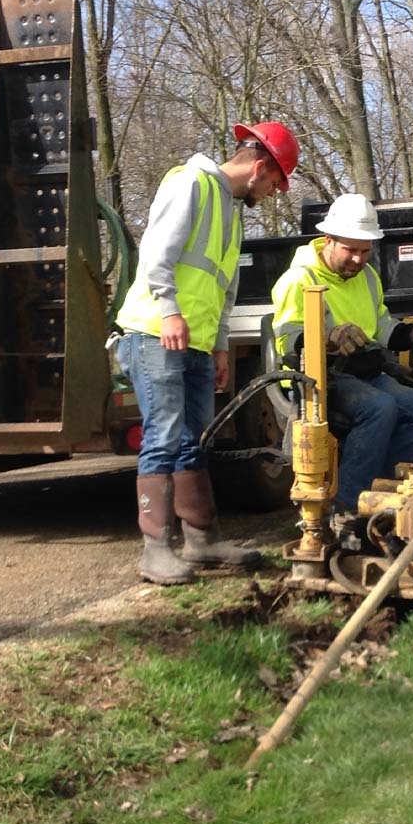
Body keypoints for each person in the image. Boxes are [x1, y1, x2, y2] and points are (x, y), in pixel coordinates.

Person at [117, 121, 300, 584]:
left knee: (195, 441)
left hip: (195, 342)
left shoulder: (230, 212)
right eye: (275, 183)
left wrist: (219, 345)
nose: (273, 194)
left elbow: (223, 287)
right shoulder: (191, 184)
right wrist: (171, 312)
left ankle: (201, 539)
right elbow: (156, 253)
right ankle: (156, 550)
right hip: (156, 332)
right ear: (259, 167)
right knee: (162, 438)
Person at [271, 192, 413, 515]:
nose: (358, 259)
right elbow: (288, 340)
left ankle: (378, 486)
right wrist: (329, 338)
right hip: (322, 379)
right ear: (328, 240)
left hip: (365, 372)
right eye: (351, 250)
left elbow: (381, 326)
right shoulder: (299, 279)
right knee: (380, 408)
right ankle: (347, 506)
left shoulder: (366, 277)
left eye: (365, 251)